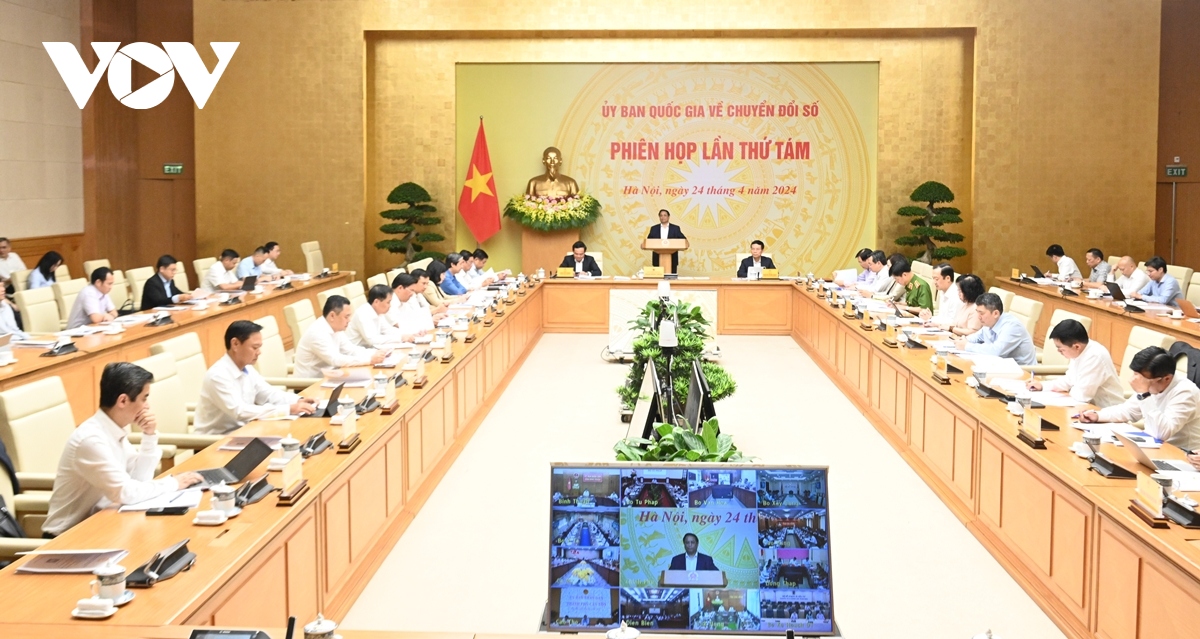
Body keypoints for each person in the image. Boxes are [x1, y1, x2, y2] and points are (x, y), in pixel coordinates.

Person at [41, 362, 204, 538]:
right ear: (123, 401)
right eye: (144, 398)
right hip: (67, 538)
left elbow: (139, 480)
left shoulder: (113, 429)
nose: (147, 406)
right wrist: (173, 483)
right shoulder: (91, 440)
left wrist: (149, 435)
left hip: (103, 526)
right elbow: (126, 493)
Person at [194, 320, 316, 435]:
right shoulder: (218, 375)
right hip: (215, 441)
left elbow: (268, 394)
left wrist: (298, 400)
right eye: (254, 347)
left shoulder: (247, 369)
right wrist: (288, 409)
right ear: (235, 344)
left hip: (245, 431)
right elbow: (240, 411)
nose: (259, 352)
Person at [1080, 346, 1200, 451]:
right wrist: (1097, 415)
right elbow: (1129, 411)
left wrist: (1144, 394)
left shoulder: (1186, 392)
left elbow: (1161, 434)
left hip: (1180, 455)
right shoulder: (1153, 384)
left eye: (1142, 380)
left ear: (1166, 379)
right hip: (1153, 448)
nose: (1133, 381)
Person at [1026, 319, 1124, 408]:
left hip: (1107, 411)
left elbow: (1081, 395)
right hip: (1088, 409)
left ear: (1076, 346)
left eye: (1061, 349)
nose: (1059, 352)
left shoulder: (1095, 357)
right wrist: (1043, 386)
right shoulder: (1080, 351)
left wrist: (1068, 390)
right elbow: (1069, 379)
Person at [293, 295, 386, 377]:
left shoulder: (336, 328)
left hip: (329, 376)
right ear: (332, 316)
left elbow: (351, 350)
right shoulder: (317, 333)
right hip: (308, 385)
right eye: (346, 317)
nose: (349, 320)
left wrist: (375, 353)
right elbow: (335, 359)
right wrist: (369, 360)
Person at [953, 292, 1037, 365]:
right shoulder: (989, 323)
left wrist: (967, 346)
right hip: (1000, 367)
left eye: (981, 313)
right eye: (977, 312)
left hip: (1022, 371)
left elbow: (996, 351)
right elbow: (976, 337)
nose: (978, 317)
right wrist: (963, 340)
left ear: (995, 313)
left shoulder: (1012, 326)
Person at [350, 283, 418, 348]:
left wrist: (410, 334)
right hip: (358, 351)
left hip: (371, 349)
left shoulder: (378, 312)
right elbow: (372, 340)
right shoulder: (362, 313)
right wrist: (401, 338)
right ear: (376, 302)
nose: (390, 305)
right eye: (388, 302)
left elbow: (388, 330)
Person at [646, 209, 686, 274]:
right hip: (657, 258)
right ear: (659, 217)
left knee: (671, 278)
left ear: (668, 217)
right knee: (658, 278)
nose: (663, 217)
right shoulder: (654, 228)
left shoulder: (675, 228)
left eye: (665, 215)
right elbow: (649, 241)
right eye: (661, 215)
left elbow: (683, 240)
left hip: (672, 258)